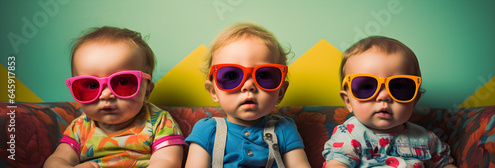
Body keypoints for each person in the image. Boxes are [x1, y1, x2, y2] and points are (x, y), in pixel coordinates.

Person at [44, 26, 185, 168]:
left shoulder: (159, 122)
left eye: (123, 82)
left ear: (147, 90)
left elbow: (168, 162)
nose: (106, 95)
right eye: (92, 85)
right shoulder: (80, 127)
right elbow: (55, 160)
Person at [185, 22, 310, 168]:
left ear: (280, 92)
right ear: (213, 91)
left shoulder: (284, 129)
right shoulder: (207, 130)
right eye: (232, 75)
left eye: (263, 75)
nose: (248, 85)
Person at [322, 36, 456, 168]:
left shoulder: (426, 139)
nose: (384, 96)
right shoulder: (349, 135)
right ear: (348, 101)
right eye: (368, 87)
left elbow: (445, 165)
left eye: (398, 87)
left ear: (414, 100)